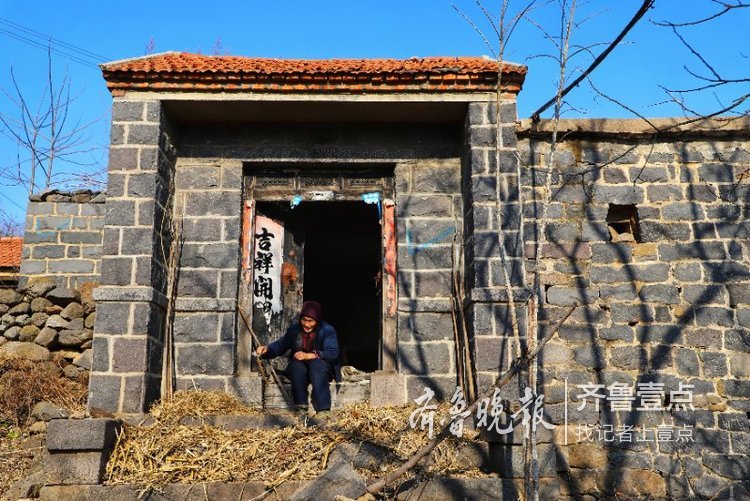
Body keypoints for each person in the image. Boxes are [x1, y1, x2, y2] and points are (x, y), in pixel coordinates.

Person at [255, 300, 341, 413]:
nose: (307, 324)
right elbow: (281, 344)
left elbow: (333, 353)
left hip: (322, 367)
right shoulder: (294, 330)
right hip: (302, 369)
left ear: (317, 320)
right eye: (304, 320)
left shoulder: (327, 330)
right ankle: (301, 406)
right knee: (296, 365)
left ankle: (323, 409)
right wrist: (267, 349)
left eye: (311, 321)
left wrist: (310, 355)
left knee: (317, 365)